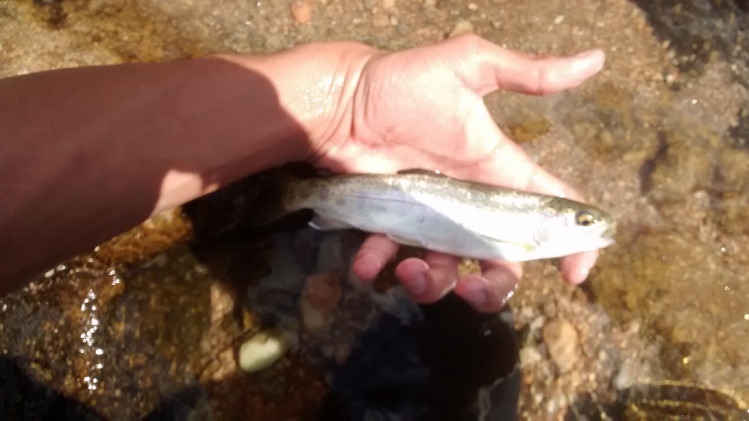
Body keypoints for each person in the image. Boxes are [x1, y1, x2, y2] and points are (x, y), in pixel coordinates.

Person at [0, 34, 606, 312]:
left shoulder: (530, 231)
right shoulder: (526, 235)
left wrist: (347, 98)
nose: (589, 227)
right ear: (552, 222)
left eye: (585, 222)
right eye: (582, 220)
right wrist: (343, 98)